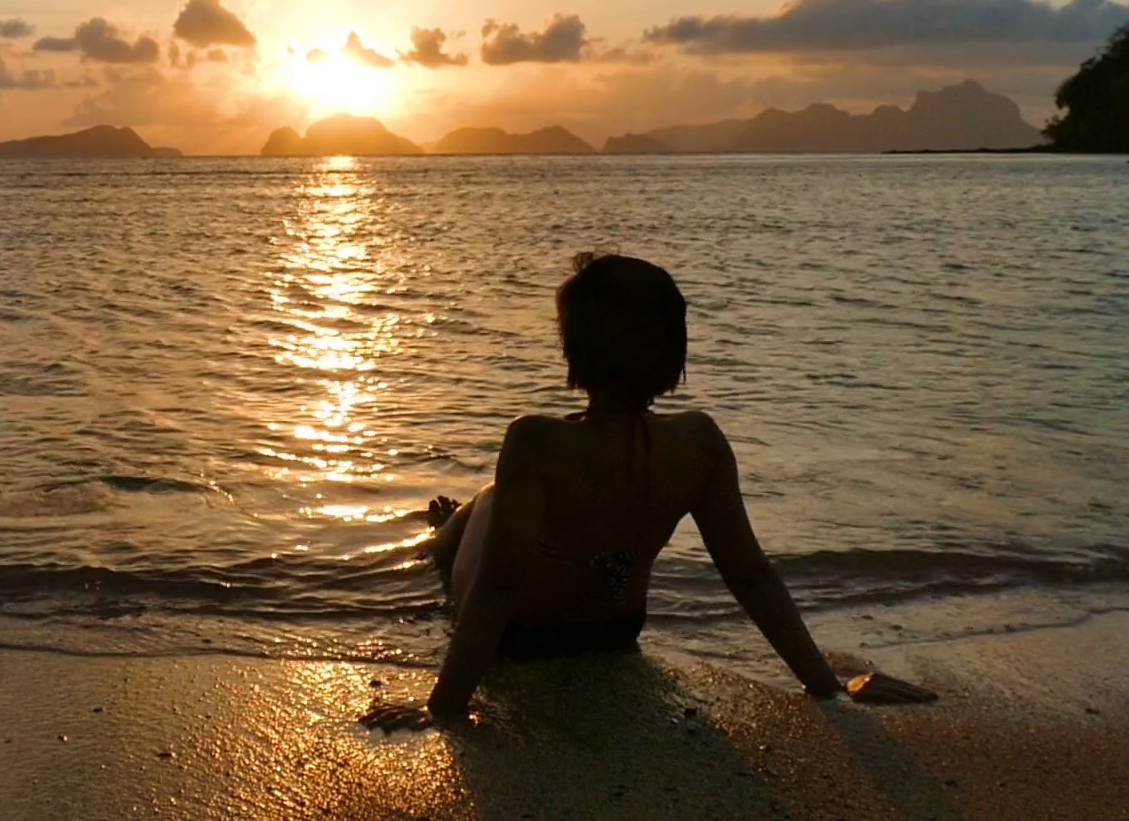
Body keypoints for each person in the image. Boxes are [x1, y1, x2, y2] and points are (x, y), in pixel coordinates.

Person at [364, 253, 934, 732]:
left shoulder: (534, 441)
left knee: (482, 510)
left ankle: (448, 528)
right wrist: (829, 688)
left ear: (573, 355)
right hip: (615, 632)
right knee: (497, 506)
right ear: (675, 358)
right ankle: (460, 518)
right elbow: (751, 576)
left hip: (521, 637)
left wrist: (442, 710)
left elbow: (495, 590)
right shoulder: (699, 443)